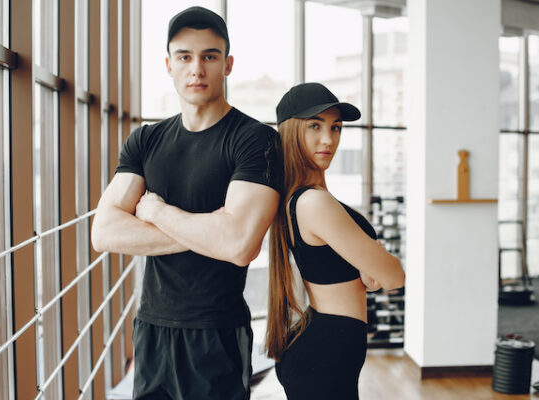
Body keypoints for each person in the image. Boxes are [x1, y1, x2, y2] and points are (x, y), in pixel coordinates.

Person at [91, 6, 281, 400]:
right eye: (185, 57)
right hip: (152, 329)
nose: (197, 68)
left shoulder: (254, 140)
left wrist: (159, 213)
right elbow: (104, 232)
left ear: (227, 65)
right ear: (169, 65)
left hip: (216, 332)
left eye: (209, 56)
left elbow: (240, 246)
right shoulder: (145, 141)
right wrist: (211, 230)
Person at [265, 82, 405, 400]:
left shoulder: (306, 199)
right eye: (315, 126)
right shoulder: (315, 203)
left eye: (336, 127)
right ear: (290, 132)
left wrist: (373, 268)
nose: (329, 139)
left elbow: (371, 280)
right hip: (326, 354)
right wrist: (377, 262)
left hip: (328, 348)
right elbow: (393, 276)